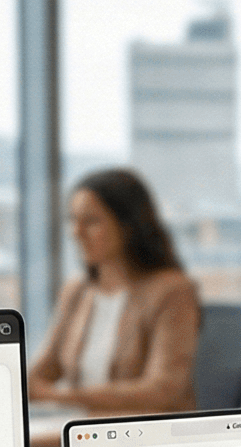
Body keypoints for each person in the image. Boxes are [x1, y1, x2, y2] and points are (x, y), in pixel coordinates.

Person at [27, 168, 200, 414]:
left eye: (91, 221)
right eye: (72, 220)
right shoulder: (77, 291)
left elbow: (161, 390)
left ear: (128, 225)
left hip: (141, 439)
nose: (76, 232)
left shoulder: (172, 292)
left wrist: (60, 396)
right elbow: (43, 371)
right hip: (81, 430)